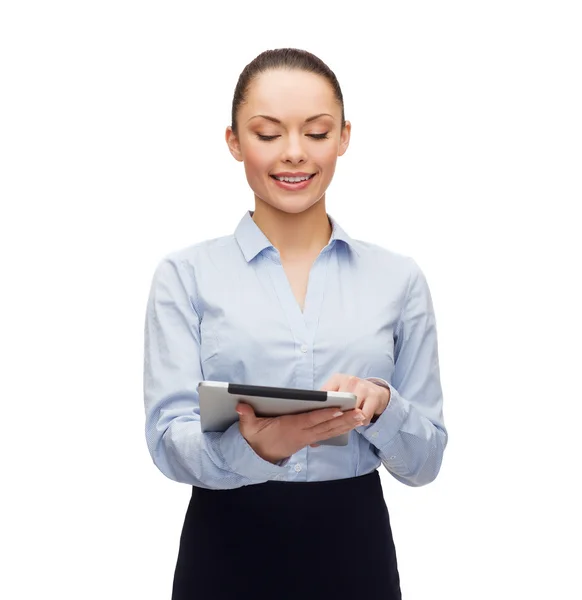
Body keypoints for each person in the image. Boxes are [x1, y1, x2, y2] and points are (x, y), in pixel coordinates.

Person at [143, 48, 447, 600]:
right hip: (225, 549)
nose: (293, 154)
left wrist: (383, 407)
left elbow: (425, 461)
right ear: (234, 141)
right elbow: (167, 440)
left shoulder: (397, 279)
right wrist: (256, 446)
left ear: (344, 137)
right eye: (266, 133)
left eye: (316, 132)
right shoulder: (185, 276)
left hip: (355, 552)